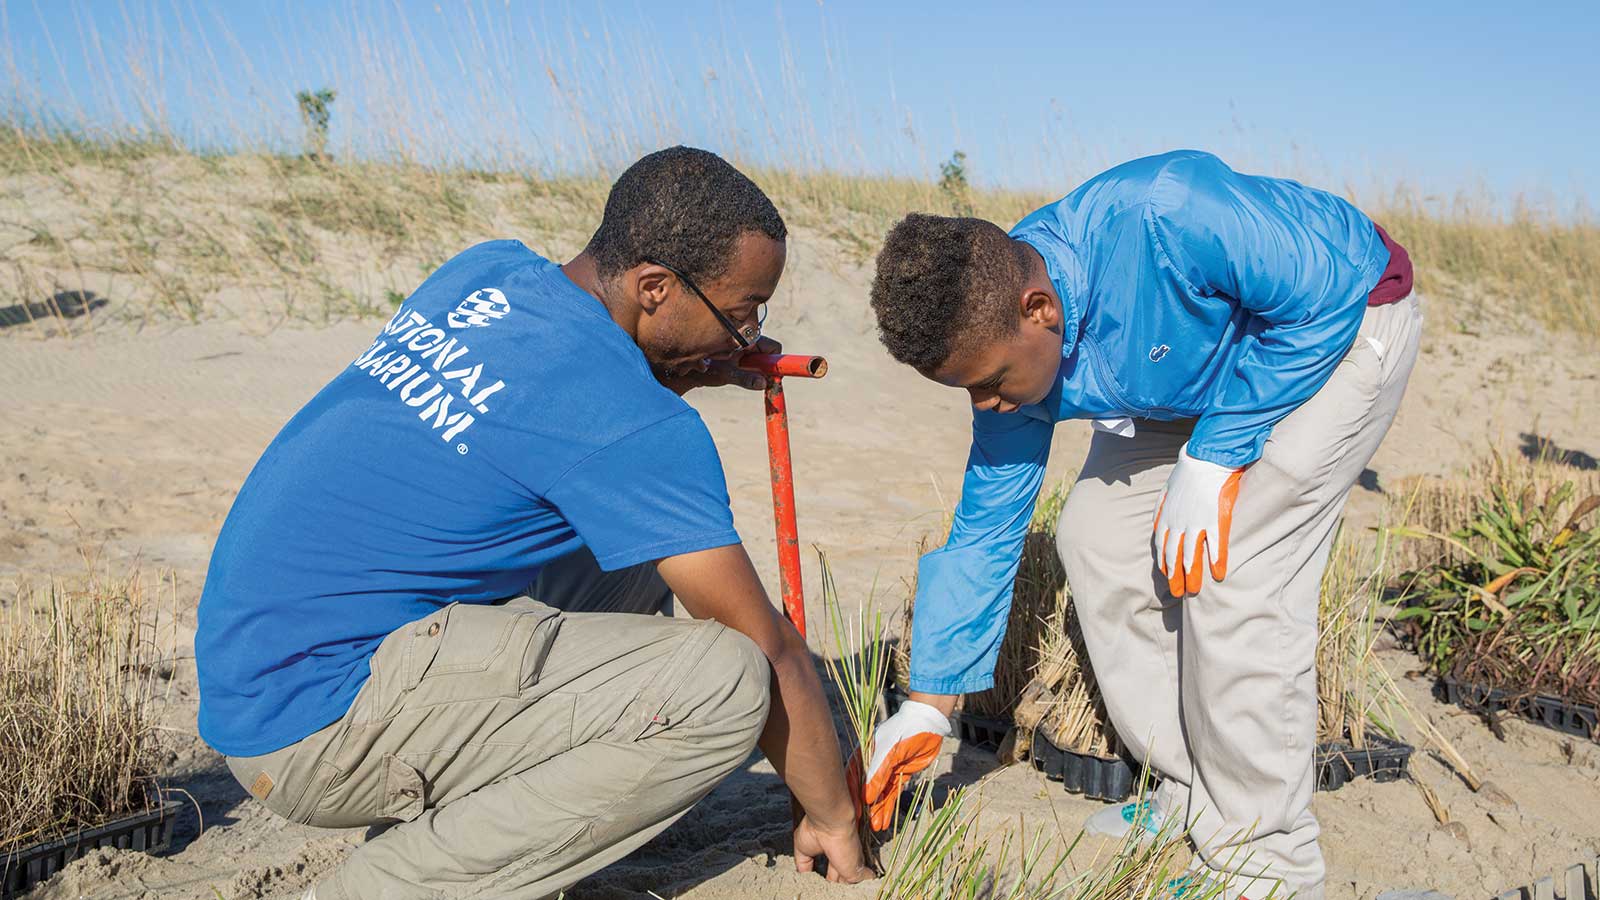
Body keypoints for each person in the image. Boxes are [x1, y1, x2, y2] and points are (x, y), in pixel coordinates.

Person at [195, 146, 871, 899]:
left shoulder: (485, 272)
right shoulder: (631, 424)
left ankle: (474, 807)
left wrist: (683, 363)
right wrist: (834, 816)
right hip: (316, 731)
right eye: (740, 314)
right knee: (726, 685)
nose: (747, 340)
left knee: (641, 546)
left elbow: (547, 397)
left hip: (250, 671)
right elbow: (771, 652)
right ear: (654, 287)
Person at [862, 150, 1418, 900]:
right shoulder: (998, 337)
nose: (987, 405)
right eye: (968, 390)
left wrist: (1216, 457)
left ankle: (1267, 860)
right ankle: (1192, 790)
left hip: (1337, 330)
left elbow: (1320, 299)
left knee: (1234, 568)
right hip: (1196, 373)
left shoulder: (1172, 212)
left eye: (991, 384)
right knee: (1093, 535)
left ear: (1039, 310)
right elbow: (988, 521)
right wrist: (930, 701)